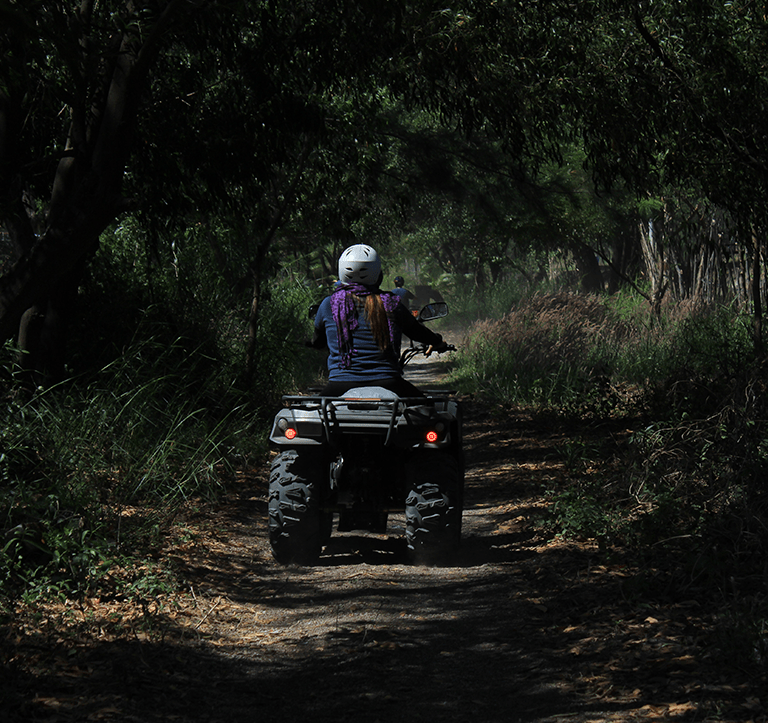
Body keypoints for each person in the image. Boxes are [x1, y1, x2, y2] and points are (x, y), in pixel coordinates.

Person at [308, 244, 449, 397]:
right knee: (427, 414)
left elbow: (318, 341)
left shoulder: (329, 304)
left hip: (339, 383)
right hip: (389, 382)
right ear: (378, 275)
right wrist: (437, 341)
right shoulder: (392, 304)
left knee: (318, 416)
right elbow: (418, 332)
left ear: (342, 273)